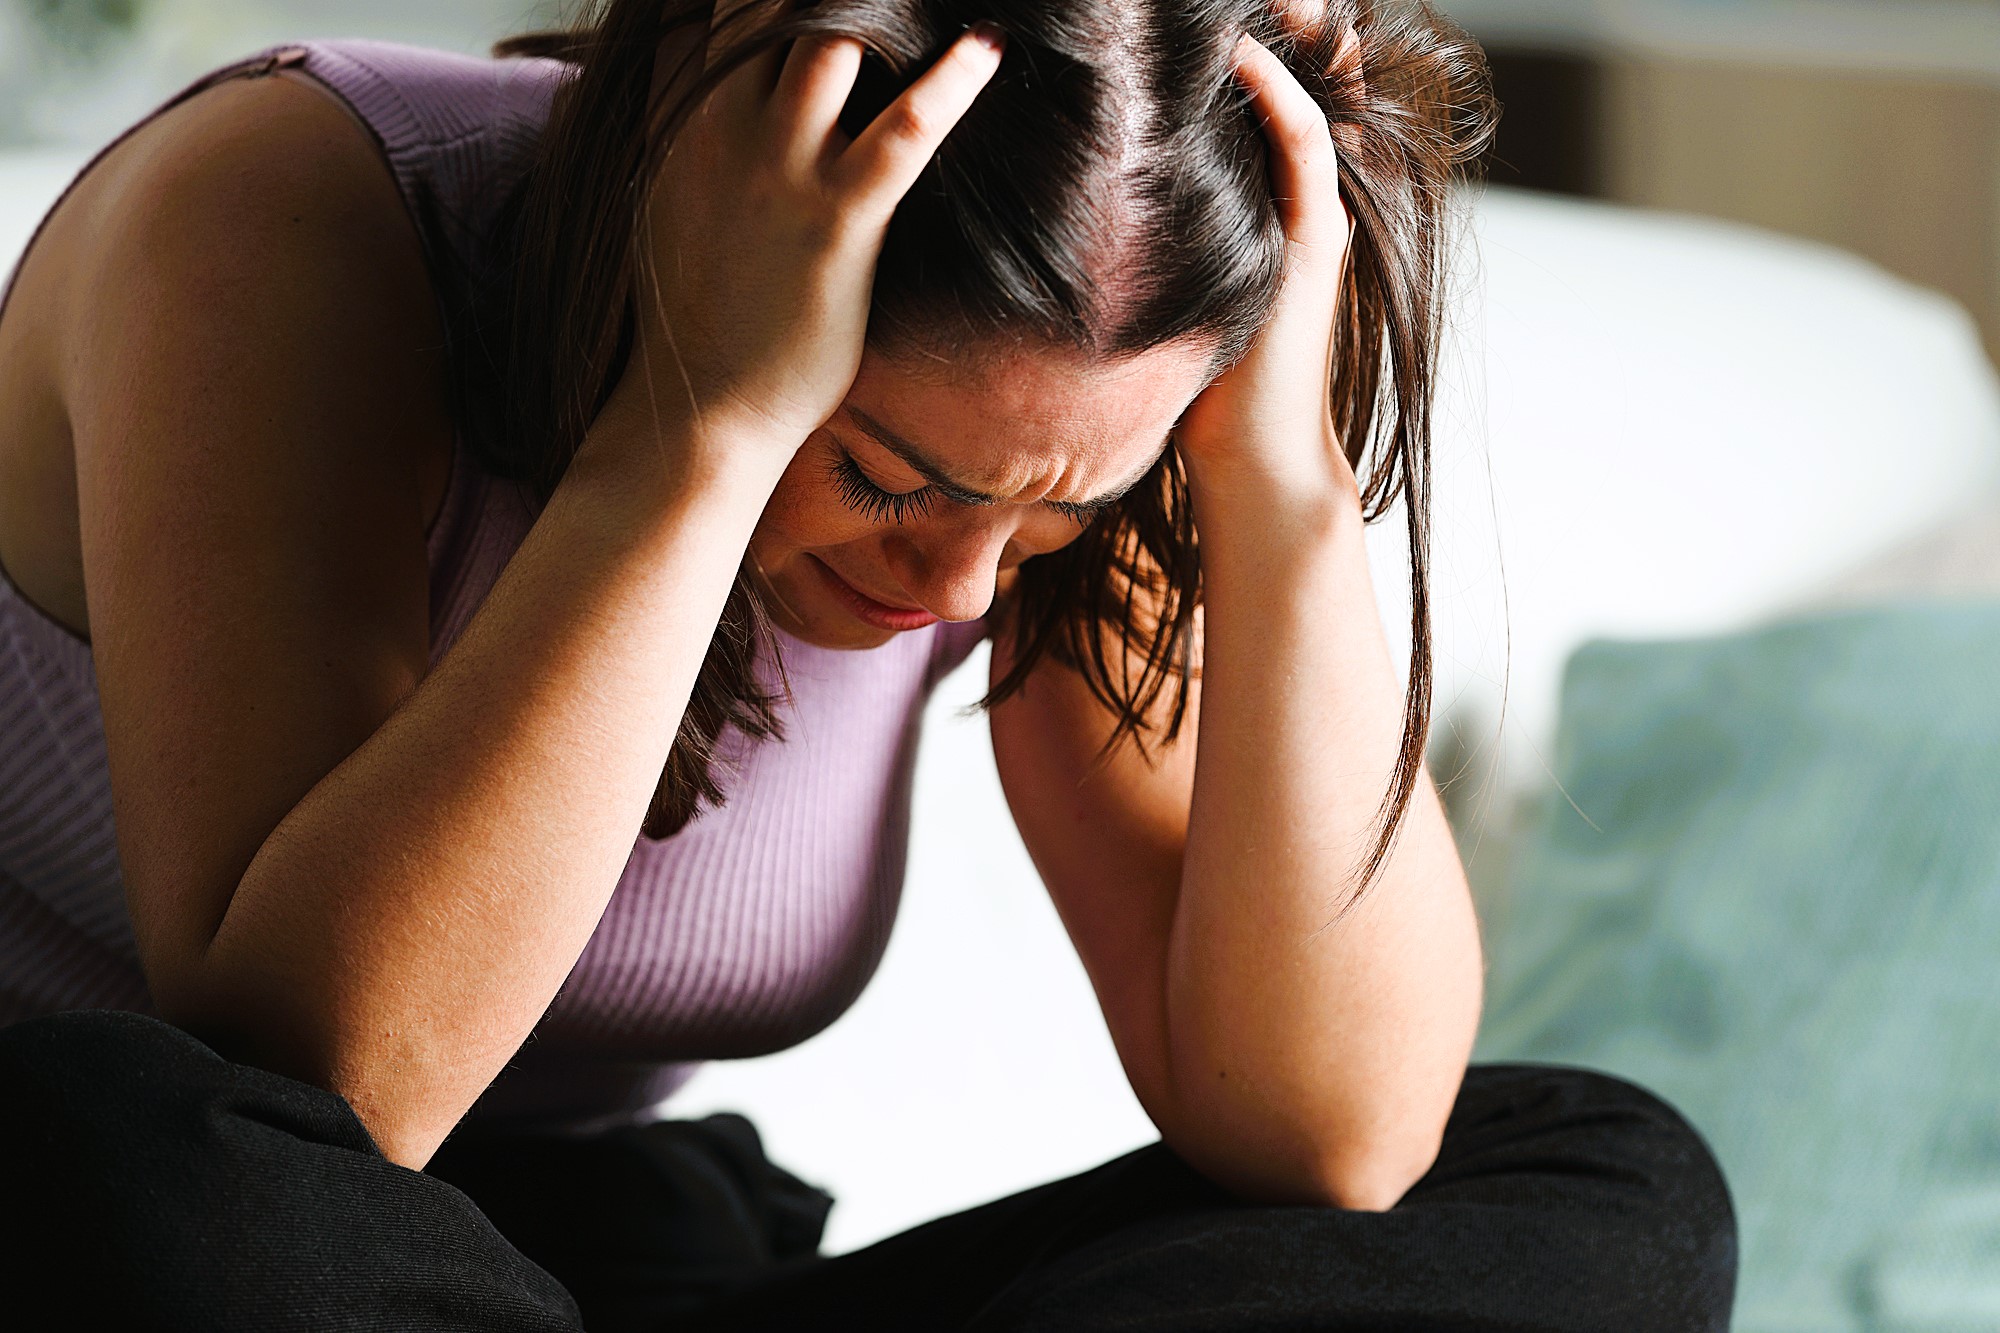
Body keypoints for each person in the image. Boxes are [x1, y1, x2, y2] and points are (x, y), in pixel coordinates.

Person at [0, 0, 1737, 1327]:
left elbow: (1334, 1137)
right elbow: (316, 1079)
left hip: (588, 1255)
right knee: (141, 1163)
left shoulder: (1075, 421)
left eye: (1057, 510)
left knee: (1607, 1178)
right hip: (191, 1237)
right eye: (892, 476)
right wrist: (703, 437)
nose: (962, 582)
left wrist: (1269, 484)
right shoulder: (293, 212)